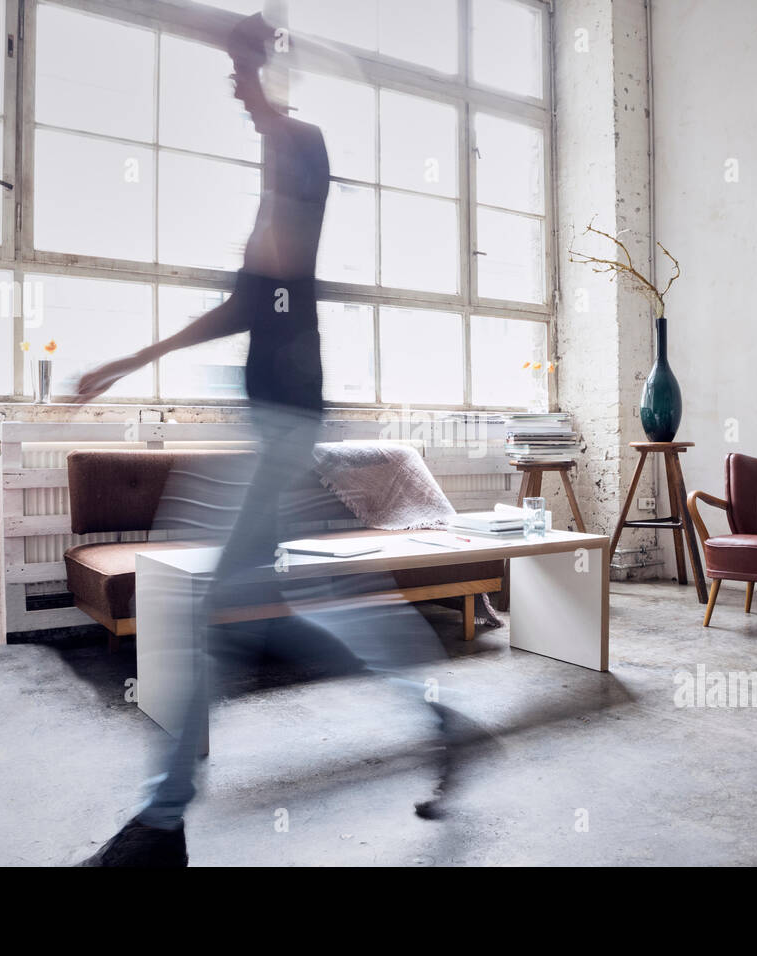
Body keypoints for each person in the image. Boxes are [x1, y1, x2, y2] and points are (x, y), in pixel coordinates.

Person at [72, 13, 470, 867]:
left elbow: (264, 292)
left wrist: (135, 355)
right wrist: (136, 357)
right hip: (273, 418)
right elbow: (257, 296)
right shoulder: (279, 155)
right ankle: (440, 714)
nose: (233, 85)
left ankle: (162, 824)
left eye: (243, 70)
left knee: (215, 604)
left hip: (286, 420)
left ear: (271, 70)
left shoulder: (301, 145)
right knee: (279, 600)